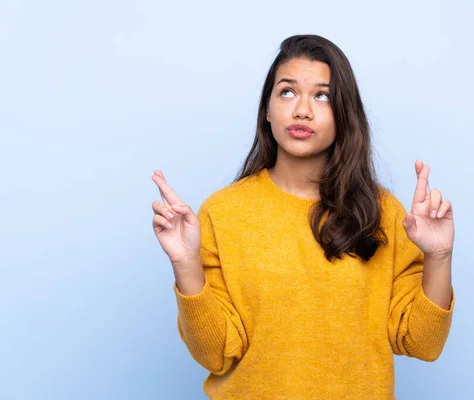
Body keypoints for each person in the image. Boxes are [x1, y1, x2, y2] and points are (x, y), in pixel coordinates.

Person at [151, 34, 455, 400]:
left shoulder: (382, 212)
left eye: (322, 96)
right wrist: (185, 265)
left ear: (344, 113)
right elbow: (215, 353)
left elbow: (422, 343)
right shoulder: (223, 212)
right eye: (288, 92)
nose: (302, 111)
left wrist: (439, 257)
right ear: (266, 109)